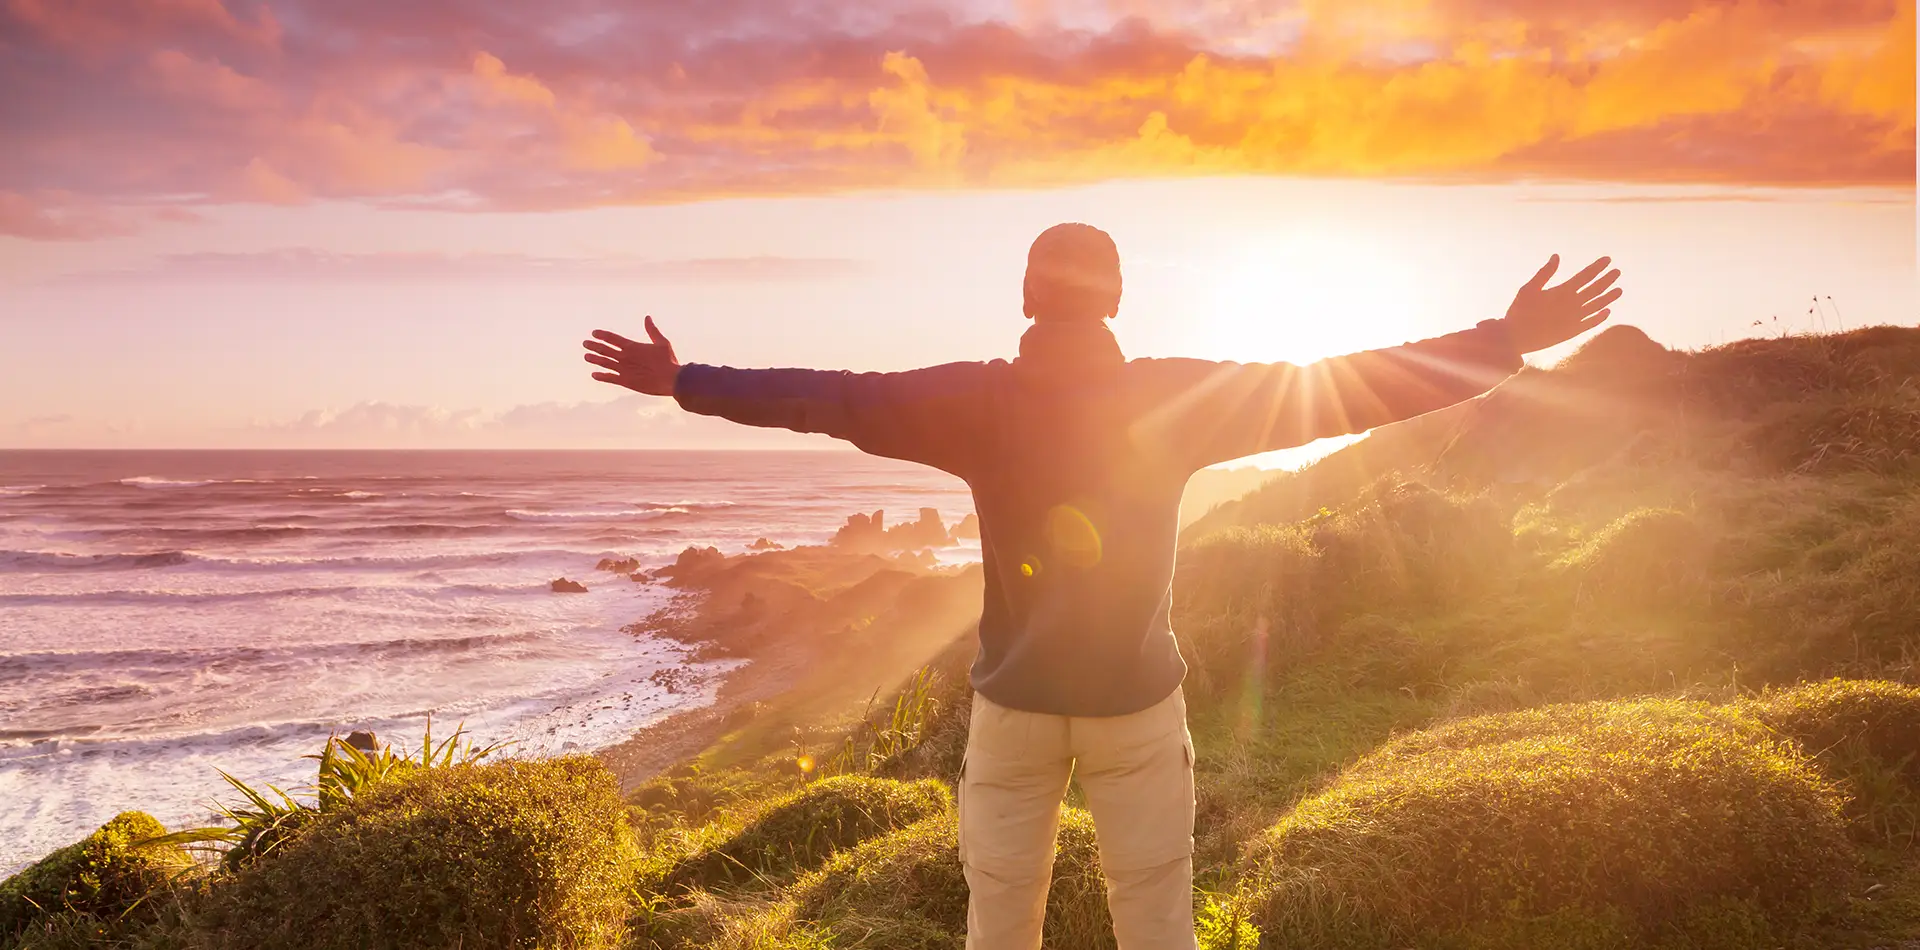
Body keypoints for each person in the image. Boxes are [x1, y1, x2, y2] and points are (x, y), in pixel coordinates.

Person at [582, 224, 1621, 950]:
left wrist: (685, 381)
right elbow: (1354, 386)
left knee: (1001, 924)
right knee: (1158, 919)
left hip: (1013, 713)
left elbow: (828, 400)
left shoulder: (971, 401)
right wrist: (1502, 343)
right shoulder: (1175, 396)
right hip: (1135, 710)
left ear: (1028, 298)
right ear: (1118, 300)